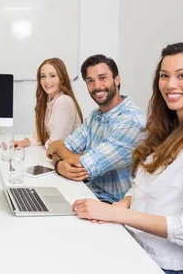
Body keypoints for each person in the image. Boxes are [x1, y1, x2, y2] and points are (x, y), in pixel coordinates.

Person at [72, 43, 183, 274]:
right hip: (134, 244)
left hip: (162, 264)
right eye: (165, 76)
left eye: (182, 75)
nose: (171, 84)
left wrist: (115, 213)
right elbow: (144, 187)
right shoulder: (169, 130)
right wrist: (119, 205)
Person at [45, 54, 146, 203]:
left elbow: (83, 166)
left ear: (117, 80)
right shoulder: (95, 116)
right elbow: (57, 147)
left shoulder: (132, 121)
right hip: (89, 193)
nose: (97, 86)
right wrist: (59, 165)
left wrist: (57, 148)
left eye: (102, 78)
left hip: (114, 206)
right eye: (90, 81)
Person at [13, 58, 83, 149]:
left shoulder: (63, 101)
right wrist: (23, 142)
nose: (47, 81)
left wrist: (47, 140)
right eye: (43, 76)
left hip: (67, 160)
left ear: (62, 79)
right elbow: (42, 134)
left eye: (52, 76)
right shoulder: (51, 101)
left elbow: (54, 145)